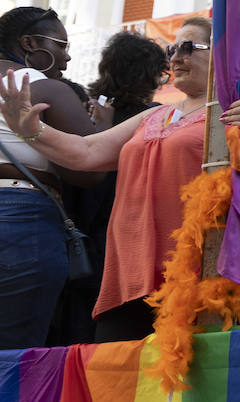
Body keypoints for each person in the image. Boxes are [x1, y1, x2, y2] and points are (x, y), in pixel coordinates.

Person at [0, 16, 240, 342]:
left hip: (200, 270)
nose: (175, 57)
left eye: (188, 47)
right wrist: (32, 132)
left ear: (221, 53)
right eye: (173, 48)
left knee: (195, 381)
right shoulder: (155, 114)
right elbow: (86, 153)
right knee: (118, 378)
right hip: (130, 270)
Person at [0, 7, 110, 349]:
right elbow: (89, 169)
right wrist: (103, 122)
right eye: (60, 44)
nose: (67, 56)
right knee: (11, 357)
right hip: (20, 220)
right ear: (29, 43)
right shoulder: (44, 87)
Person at [50, 31, 169, 344]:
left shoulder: (82, 110)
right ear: (151, 74)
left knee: (70, 330)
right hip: (125, 238)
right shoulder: (159, 119)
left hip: (73, 233)